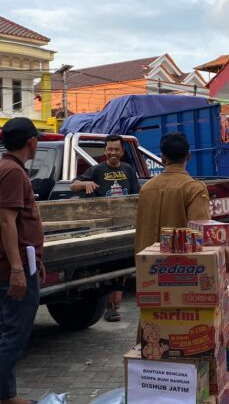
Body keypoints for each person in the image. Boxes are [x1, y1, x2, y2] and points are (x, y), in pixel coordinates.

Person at [0, 117, 45, 404]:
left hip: (20, 264)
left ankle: (7, 397)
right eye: (37, 139)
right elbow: (7, 222)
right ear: (31, 142)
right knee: (12, 340)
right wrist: (18, 269)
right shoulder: (12, 173)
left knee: (6, 334)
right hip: (16, 269)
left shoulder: (7, 169)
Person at [135, 132, 229, 273]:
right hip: (180, 270)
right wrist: (227, 253)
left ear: (163, 158)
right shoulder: (193, 188)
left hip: (147, 268)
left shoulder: (146, 188)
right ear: (188, 156)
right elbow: (201, 229)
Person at [71, 134, 140, 322]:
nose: (113, 153)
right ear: (105, 151)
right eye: (109, 149)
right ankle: (110, 307)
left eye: (116, 149)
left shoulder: (128, 170)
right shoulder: (96, 170)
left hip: (125, 227)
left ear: (122, 151)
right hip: (105, 230)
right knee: (108, 267)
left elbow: (136, 196)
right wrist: (86, 183)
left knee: (124, 266)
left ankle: (115, 305)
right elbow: (73, 185)